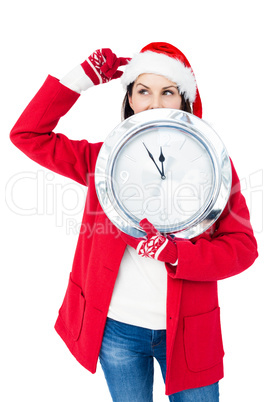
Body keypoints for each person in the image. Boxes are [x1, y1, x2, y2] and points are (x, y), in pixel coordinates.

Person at [10, 42, 258, 401]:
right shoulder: (102, 161)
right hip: (117, 331)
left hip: (188, 334)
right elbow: (27, 135)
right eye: (143, 91)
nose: (155, 103)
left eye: (167, 92)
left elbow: (243, 248)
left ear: (184, 101)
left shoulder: (212, 166)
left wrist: (177, 254)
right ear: (129, 100)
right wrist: (80, 79)